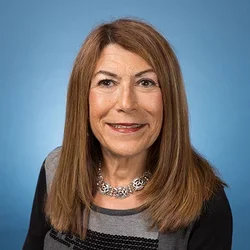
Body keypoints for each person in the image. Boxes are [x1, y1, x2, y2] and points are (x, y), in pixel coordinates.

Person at [23, 18, 232, 250]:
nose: (126, 103)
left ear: (169, 98)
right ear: (83, 97)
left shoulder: (204, 199)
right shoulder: (56, 168)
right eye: (107, 82)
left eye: (145, 82)